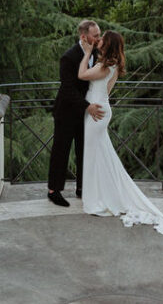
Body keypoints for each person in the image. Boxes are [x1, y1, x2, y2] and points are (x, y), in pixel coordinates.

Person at [77, 31, 163, 237]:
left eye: (102, 38)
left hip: (97, 112)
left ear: (108, 43)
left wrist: (86, 53)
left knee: (95, 155)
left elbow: (82, 75)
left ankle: (100, 199)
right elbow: (105, 91)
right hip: (100, 108)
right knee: (100, 155)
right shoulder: (110, 65)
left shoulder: (104, 67)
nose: (99, 40)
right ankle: (101, 196)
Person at [47, 20, 105, 207]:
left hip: (86, 113)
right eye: (95, 35)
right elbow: (67, 89)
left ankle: (82, 188)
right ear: (83, 36)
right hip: (66, 111)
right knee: (61, 151)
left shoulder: (97, 53)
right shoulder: (69, 57)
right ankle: (54, 191)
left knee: (84, 150)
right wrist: (87, 106)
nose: (98, 38)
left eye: (99, 34)